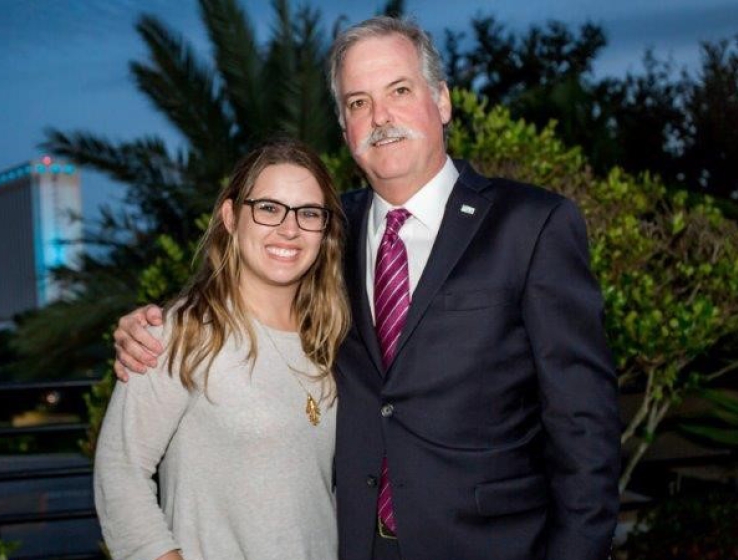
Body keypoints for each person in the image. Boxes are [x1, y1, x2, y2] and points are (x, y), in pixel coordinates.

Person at [113, 16, 621, 560]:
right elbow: (245, 293)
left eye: (399, 91)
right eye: (358, 103)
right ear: (344, 128)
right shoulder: (324, 229)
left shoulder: (531, 225)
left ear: (442, 101)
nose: (380, 117)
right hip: (355, 546)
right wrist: (149, 328)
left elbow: (583, 426)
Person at [94, 139, 350, 560]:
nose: (289, 229)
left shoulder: (330, 339)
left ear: (324, 231)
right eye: (268, 208)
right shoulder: (181, 333)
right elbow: (120, 471)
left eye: (308, 213)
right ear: (231, 216)